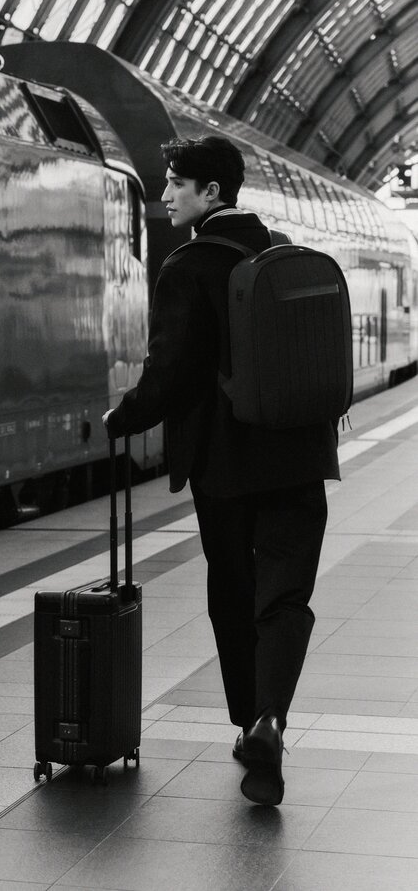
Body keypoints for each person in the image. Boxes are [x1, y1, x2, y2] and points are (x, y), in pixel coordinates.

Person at [103, 135, 340, 806]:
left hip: (228, 468)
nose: (166, 194)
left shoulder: (188, 265)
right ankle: (270, 720)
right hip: (300, 457)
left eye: (177, 183)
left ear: (213, 193)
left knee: (235, 598)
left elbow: (171, 372)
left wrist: (125, 417)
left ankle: (249, 723)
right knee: (285, 599)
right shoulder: (281, 253)